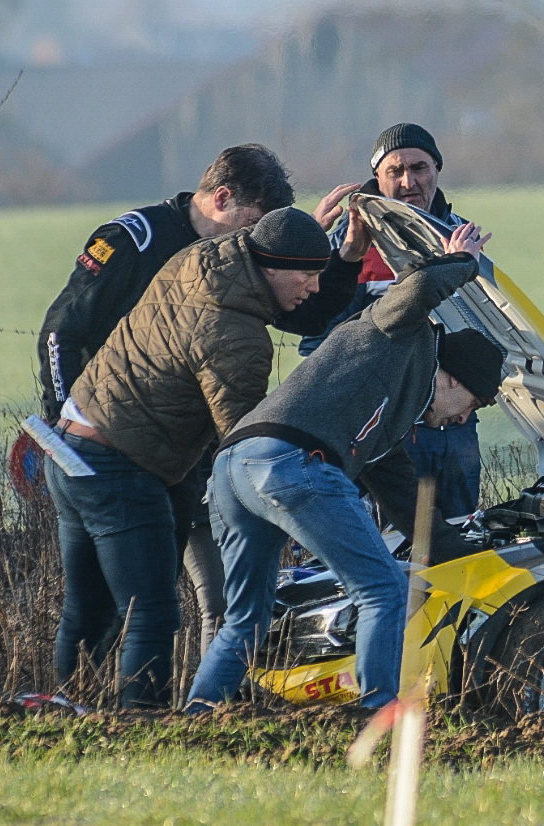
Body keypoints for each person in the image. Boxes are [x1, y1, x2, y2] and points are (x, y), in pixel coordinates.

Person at [187, 225, 502, 710]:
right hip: (292, 463)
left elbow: (407, 504)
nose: (463, 420)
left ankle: (197, 714)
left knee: (245, 619)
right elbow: (417, 287)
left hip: (231, 468)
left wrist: (469, 555)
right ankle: (378, 711)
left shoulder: (388, 417)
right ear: (456, 378)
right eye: (472, 405)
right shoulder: (403, 334)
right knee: (385, 589)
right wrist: (463, 262)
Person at [47, 207, 342, 707]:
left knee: (87, 609)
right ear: (271, 266)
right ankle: (143, 725)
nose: (313, 288)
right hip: (122, 468)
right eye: (307, 275)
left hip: (70, 445)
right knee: (153, 613)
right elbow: (247, 444)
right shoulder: (239, 338)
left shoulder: (201, 257)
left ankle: (64, 713)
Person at [36, 145, 308, 655]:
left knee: (149, 603)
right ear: (222, 198)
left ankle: (99, 696)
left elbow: (299, 313)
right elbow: (60, 332)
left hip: (182, 456)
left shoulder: (237, 263)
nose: (255, 243)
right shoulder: (134, 238)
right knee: (132, 610)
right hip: (107, 447)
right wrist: (64, 425)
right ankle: (104, 698)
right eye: (253, 225)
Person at [302, 123, 493, 522]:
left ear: (437, 169)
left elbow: (488, 324)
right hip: (384, 426)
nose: (409, 182)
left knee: (463, 540)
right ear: (378, 176)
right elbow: (320, 338)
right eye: (395, 171)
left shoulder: (461, 236)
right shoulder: (351, 241)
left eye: (419, 168)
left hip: (455, 426)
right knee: (388, 545)